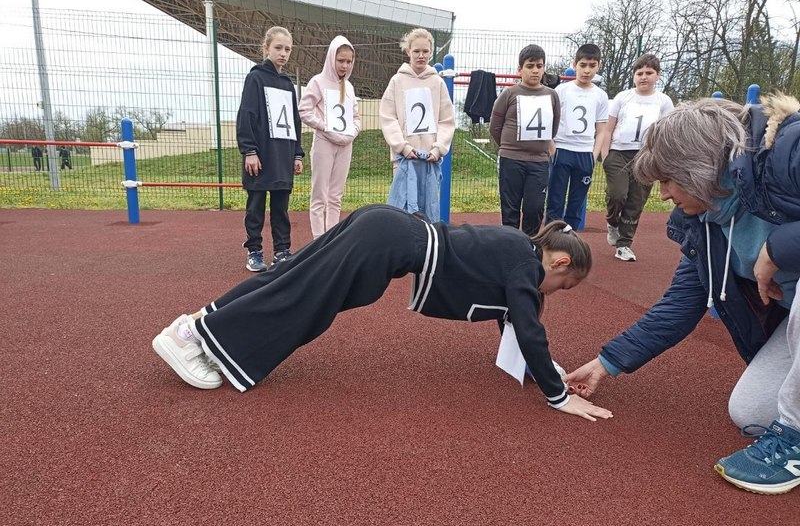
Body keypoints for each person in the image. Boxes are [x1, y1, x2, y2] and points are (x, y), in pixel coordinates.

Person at [151, 204, 612, 422]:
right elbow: (528, 326)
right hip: (386, 241)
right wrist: (557, 397)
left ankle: (197, 323)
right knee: (303, 301)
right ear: (559, 262)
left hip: (383, 227)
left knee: (291, 277)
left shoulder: (518, 249)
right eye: (562, 286)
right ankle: (196, 339)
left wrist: (547, 369)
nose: (552, 291)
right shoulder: (523, 264)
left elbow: (515, 322)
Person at [565, 95, 800, 494]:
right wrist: (606, 363)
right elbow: (680, 304)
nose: (664, 195)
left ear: (701, 169)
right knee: (749, 411)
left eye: (668, 180)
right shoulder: (705, 218)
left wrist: (779, 249)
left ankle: (792, 445)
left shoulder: (789, 151)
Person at [237, 25, 305, 272]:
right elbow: (246, 116)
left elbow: (294, 121)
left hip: (283, 156)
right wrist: (249, 151)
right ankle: (254, 251)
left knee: (281, 208)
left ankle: (282, 251)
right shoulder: (255, 78)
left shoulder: (287, 84)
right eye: (278, 47)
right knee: (255, 206)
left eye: (288, 49)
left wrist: (297, 153)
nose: (283, 53)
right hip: (260, 155)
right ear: (266, 48)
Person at [600, 54, 673, 261]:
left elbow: (667, 133)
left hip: (646, 156)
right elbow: (608, 129)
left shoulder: (664, 101)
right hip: (618, 153)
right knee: (618, 194)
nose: (644, 77)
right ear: (633, 76)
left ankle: (624, 244)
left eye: (649, 73)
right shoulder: (623, 98)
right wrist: (606, 156)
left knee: (635, 201)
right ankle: (612, 222)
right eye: (639, 73)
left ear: (657, 76)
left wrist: (660, 159)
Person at [380, 28, 455, 222]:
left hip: (430, 159)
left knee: (428, 211)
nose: (421, 56)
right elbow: (388, 117)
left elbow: (446, 120)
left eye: (425, 51)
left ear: (431, 52)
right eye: (416, 51)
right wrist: (402, 147)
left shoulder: (437, 83)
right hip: (404, 158)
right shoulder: (397, 81)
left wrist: (438, 149)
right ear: (408, 52)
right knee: (402, 211)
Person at [490, 44, 561, 236]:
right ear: (520, 69)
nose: (535, 70)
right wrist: (509, 147)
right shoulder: (509, 94)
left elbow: (553, 128)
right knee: (510, 208)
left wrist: (540, 147)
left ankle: (530, 246)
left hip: (538, 161)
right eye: (530, 66)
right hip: (511, 160)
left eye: (539, 65)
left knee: (534, 208)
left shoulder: (552, 95)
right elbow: (495, 127)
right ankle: (509, 248)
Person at [298, 36, 361, 239]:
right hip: (324, 143)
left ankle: (331, 238)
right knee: (320, 195)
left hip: (345, 145)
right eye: (340, 60)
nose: (344, 65)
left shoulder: (349, 87)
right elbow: (304, 110)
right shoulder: (318, 82)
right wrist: (325, 127)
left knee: (336, 196)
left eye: (348, 61)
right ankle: (318, 240)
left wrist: (353, 132)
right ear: (331, 58)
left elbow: (356, 117)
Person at [546, 44, 609, 229]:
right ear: (574, 65)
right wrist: (553, 150)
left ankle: (571, 244)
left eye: (591, 65)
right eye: (583, 65)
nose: (587, 70)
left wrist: (593, 154)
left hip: (584, 154)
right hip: (562, 150)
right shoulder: (561, 90)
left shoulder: (600, 96)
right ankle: (551, 241)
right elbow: (549, 122)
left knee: (576, 203)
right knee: (555, 201)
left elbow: (602, 129)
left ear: (598, 66)